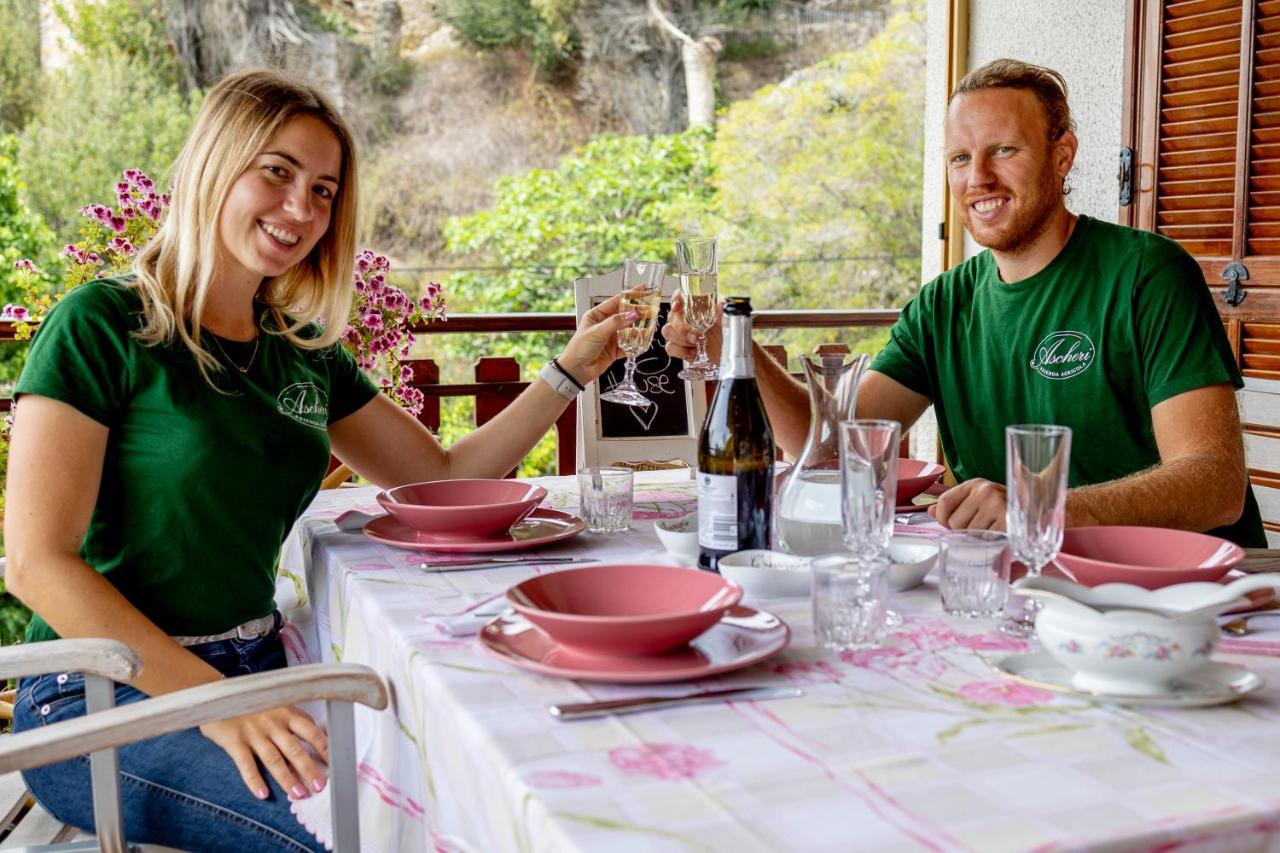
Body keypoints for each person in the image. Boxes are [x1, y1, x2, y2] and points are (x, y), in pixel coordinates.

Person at [4, 69, 634, 852]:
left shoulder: (300, 354)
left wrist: (570, 368)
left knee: (473, 779)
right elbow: (35, 563)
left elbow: (438, 479)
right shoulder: (99, 325)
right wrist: (216, 702)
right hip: (103, 697)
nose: (302, 208)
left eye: (325, 190)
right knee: (363, 832)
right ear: (215, 163)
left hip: (260, 668)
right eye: (277, 172)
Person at [664, 58, 1264, 547]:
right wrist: (730, 341)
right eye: (959, 158)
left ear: (1061, 156)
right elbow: (829, 448)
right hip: (1034, 586)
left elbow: (1215, 484)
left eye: (1004, 150)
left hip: (1185, 593)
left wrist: (1038, 508)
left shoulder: (1147, 275)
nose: (978, 177)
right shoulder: (943, 304)